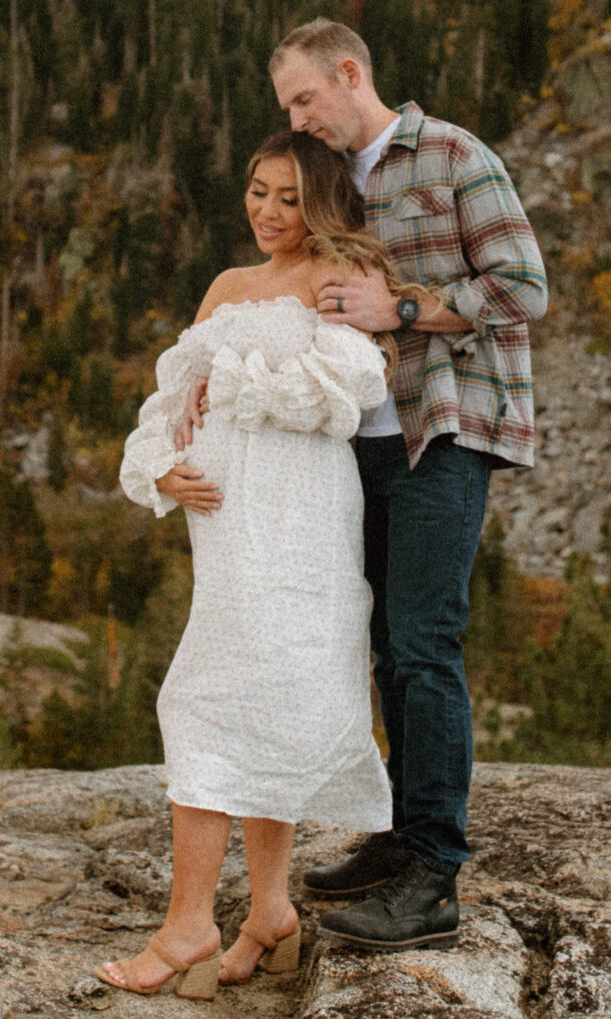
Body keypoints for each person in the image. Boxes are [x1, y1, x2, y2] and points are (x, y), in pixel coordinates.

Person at [98, 132, 407, 998]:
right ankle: (269, 913)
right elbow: (170, 394)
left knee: (206, 695)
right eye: (257, 192)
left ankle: (188, 923)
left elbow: (346, 392)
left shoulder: (334, 279)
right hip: (227, 527)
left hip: (300, 519)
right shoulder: (227, 287)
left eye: (288, 197)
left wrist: (227, 377)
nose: (268, 213)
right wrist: (158, 463)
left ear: (319, 202)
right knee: (256, 698)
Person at [274, 17, 548, 950]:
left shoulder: (455, 155)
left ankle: (434, 877)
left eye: (305, 98)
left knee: (426, 641)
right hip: (358, 440)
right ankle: (400, 837)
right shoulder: (326, 183)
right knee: (387, 644)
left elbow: (523, 285)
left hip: (445, 427)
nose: (298, 119)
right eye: (288, 107)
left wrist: (402, 308)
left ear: (350, 73)